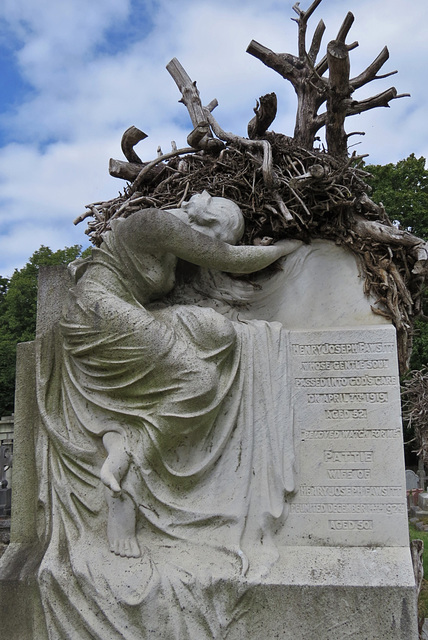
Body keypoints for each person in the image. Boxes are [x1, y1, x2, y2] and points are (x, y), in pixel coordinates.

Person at [60, 191, 301, 559]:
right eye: (216, 237)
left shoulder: (170, 247)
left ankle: (118, 432)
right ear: (205, 224)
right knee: (199, 381)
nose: (209, 247)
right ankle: (126, 473)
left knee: (218, 332)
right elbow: (229, 259)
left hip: (125, 313)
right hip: (95, 314)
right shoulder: (152, 222)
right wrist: (288, 248)